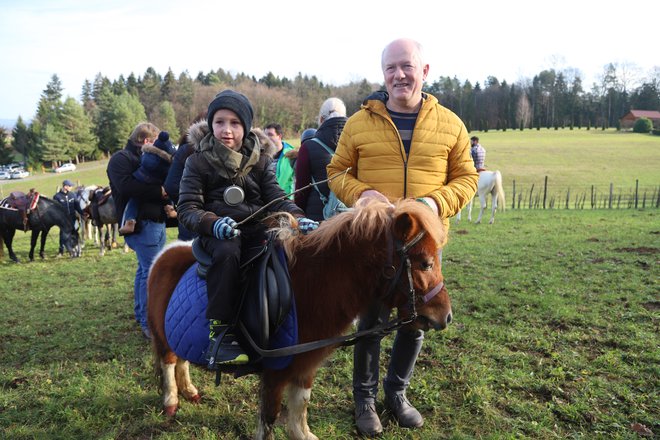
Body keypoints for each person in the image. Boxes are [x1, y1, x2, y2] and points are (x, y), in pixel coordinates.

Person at [327, 38, 478, 436]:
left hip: (423, 244)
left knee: (415, 319)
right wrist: (360, 194)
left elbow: (467, 179)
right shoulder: (359, 123)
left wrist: (432, 202)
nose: (399, 75)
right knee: (371, 320)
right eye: (391, 68)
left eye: (407, 66)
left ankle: (397, 393)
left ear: (424, 71)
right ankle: (364, 401)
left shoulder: (451, 124)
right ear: (383, 75)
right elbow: (336, 171)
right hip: (376, 246)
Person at [177, 90, 319, 368]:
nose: (226, 130)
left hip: (256, 230)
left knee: (283, 252)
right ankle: (221, 332)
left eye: (234, 123)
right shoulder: (197, 161)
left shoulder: (262, 161)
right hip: (217, 235)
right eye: (219, 122)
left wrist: (298, 217)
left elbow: (277, 198)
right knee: (229, 251)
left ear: (245, 125)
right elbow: (187, 208)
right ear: (211, 123)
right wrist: (213, 223)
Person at [107, 122, 168, 340]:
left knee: (145, 271)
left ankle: (142, 316)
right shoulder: (121, 160)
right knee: (153, 273)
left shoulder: (141, 159)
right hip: (141, 225)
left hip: (156, 222)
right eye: (156, 143)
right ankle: (149, 323)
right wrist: (159, 191)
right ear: (146, 141)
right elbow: (126, 187)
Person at [295, 97, 348, 221]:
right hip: (351, 219)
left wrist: (298, 214)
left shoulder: (308, 147)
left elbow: (301, 191)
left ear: (321, 119)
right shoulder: (357, 143)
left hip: (318, 221)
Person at [119, 131, 177, 235]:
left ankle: (129, 221)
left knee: (133, 201)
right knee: (168, 192)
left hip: (142, 178)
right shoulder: (166, 161)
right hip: (160, 184)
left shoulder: (146, 155)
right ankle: (170, 208)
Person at [264, 123, 296, 197]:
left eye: (270, 135)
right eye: (265, 135)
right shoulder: (261, 154)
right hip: (266, 200)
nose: (267, 138)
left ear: (279, 136)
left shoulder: (291, 155)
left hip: (285, 200)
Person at [53, 179, 83, 256]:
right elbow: (55, 210)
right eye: (70, 186)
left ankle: (74, 248)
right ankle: (61, 250)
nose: (71, 187)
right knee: (63, 234)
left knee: (74, 233)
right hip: (63, 220)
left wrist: (83, 214)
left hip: (73, 218)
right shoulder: (57, 197)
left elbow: (77, 207)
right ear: (65, 186)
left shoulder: (72, 195)